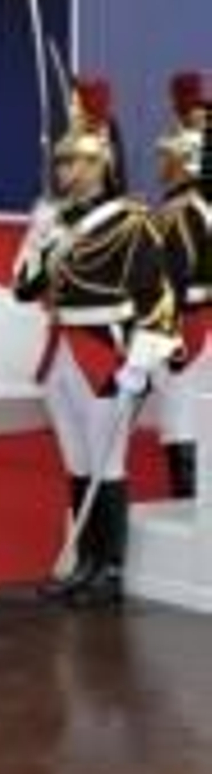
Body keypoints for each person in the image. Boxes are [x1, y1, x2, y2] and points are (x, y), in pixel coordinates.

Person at [14, 76, 180, 607]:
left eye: (80, 160)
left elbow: (159, 296)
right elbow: (25, 289)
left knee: (108, 464)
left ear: (105, 161)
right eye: (63, 161)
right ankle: (84, 562)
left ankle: (109, 570)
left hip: (107, 353)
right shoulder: (56, 220)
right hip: (60, 350)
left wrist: (142, 359)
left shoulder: (133, 222)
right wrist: (40, 244)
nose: (68, 170)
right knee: (77, 462)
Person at [150, 72, 212, 498]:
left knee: (179, 414)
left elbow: (172, 276)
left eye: (165, 158)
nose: (159, 166)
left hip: (185, 325)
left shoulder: (178, 213)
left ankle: (186, 500)